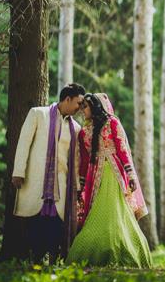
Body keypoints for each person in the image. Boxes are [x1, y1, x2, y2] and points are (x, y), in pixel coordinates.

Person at [67, 93, 152, 268]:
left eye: (86, 106)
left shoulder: (112, 123)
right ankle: (91, 253)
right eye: (81, 107)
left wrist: (130, 175)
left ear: (96, 106)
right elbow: (83, 161)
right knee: (96, 213)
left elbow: (122, 150)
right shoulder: (84, 132)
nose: (82, 110)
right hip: (93, 177)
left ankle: (126, 251)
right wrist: (80, 186)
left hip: (113, 173)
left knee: (116, 211)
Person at [11, 83, 85, 262]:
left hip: (60, 185)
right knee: (35, 220)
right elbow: (24, 143)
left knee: (56, 223)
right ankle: (34, 257)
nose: (79, 108)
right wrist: (18, 171)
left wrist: (76, 186)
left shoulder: (76, 128)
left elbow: (75, 161)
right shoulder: (38, 114)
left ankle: (52, 257)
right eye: (78, 103)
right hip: (37, 179)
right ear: (67, 99)